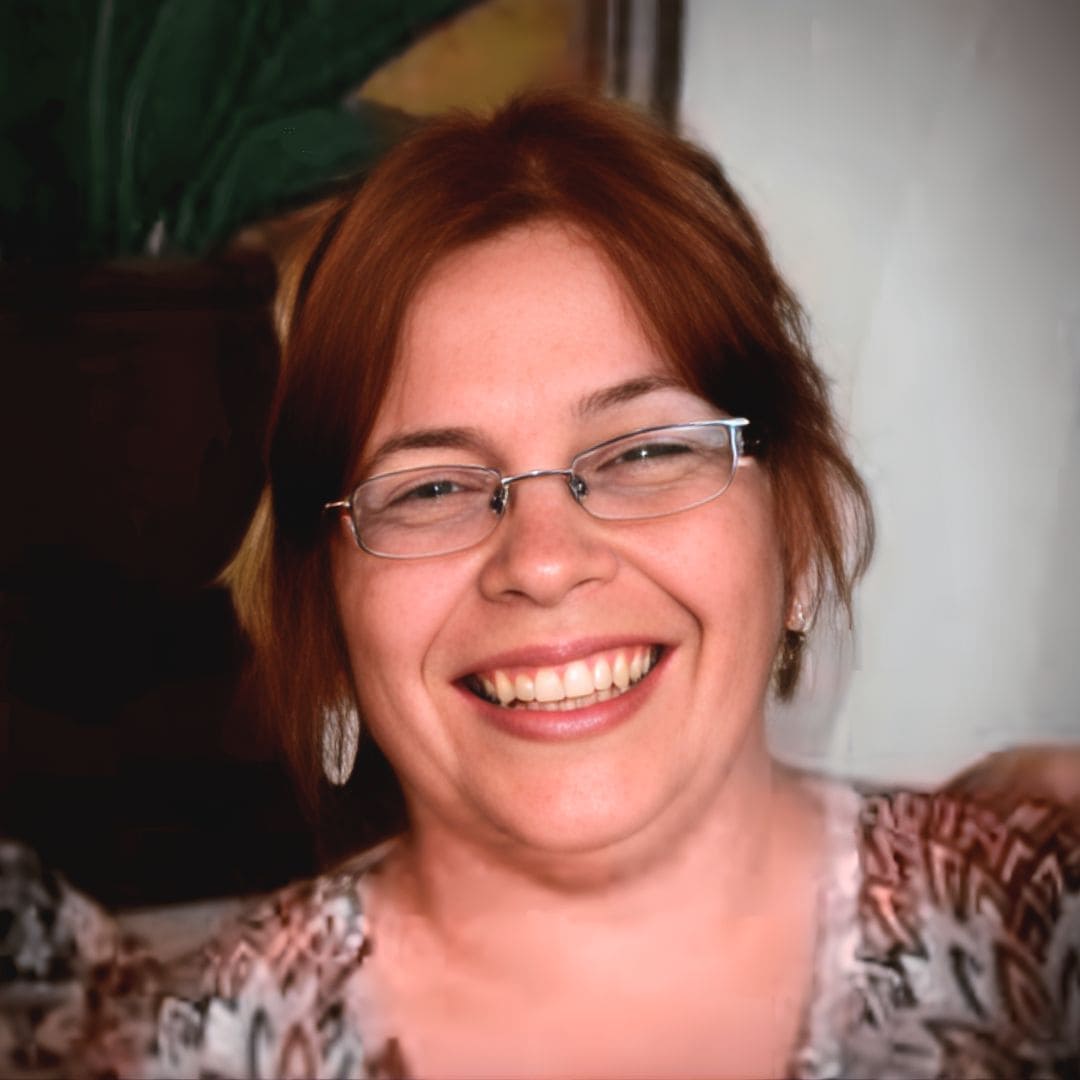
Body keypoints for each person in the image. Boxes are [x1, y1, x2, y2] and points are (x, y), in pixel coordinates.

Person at [3, 91, 1078, 1079]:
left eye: (646, 451)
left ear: (793, 525)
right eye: (430, 488)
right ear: (326, 604)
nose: (544, 560)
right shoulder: (184, 1051)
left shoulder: (1035, 937)